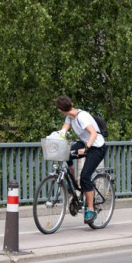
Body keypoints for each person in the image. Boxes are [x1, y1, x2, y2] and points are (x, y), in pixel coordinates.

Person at [54, 95, 106, 224]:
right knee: (66, 153)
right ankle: (73, 183)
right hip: (85, 142)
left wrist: (86, 149)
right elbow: (63, 132)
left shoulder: (82, 117)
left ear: (60, 110)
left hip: (97, 147)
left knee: (85, 176)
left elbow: (93, 134)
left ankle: (90, 209)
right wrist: (55, 140)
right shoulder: (69, 116)